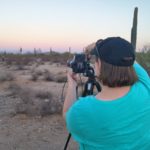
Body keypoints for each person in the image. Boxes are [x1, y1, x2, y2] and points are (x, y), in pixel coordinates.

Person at [63, 37, 150, 150]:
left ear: (99, 65)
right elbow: (129, 62)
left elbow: (67, 115)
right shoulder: (145, 88)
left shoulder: (82, 111)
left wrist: (72, 85)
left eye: (96, 60)